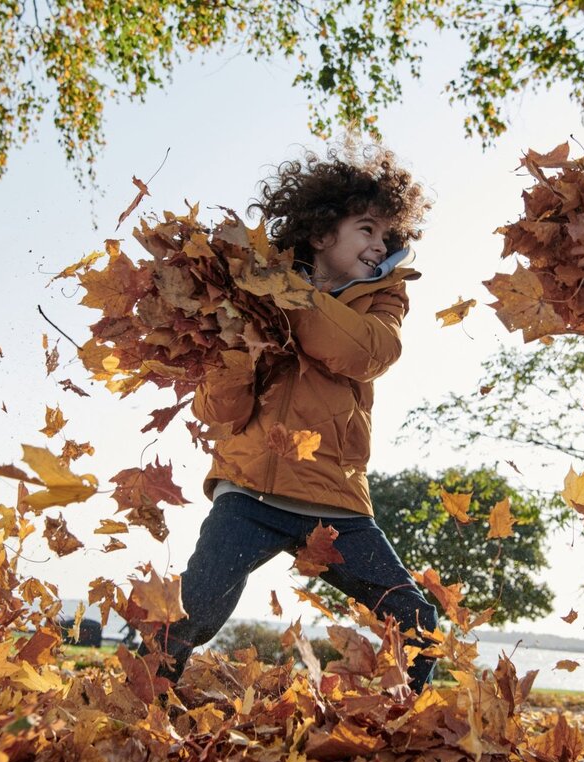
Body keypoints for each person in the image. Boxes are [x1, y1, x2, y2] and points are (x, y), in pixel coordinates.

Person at [153, 145, 439, 691]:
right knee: (197, 609)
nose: (381, 245)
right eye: (367, 228)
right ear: (319, 233)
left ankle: (408, 727)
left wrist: (287, 294)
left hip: (334, 498)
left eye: (387, 236)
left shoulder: (386, 297)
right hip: (248, 490)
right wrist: (238, 343)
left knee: (416, 618)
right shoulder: (249, 291)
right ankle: (144, 696)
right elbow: (219, 409)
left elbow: (367, 352)